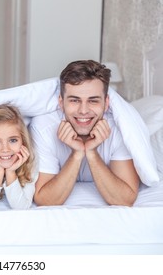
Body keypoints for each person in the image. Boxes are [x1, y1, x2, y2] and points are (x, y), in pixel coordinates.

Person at [31, 60, 140, 206]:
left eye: (93, 101)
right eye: (75, 100)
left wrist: (92, 152)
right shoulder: (44, 127)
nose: (83, 110)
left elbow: (125, 199)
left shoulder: (119, 128)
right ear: (61, 103)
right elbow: (44, 200)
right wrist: (76, 154)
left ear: (106, 103)